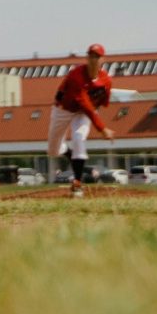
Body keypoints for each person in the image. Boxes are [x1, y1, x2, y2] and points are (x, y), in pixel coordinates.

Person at [47, 43, 115, 198]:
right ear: (87, 58)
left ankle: (77, 182)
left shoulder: (106, 80)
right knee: (53, 151)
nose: (93, 59)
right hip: (63, 109)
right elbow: (84, 102)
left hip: (83, 113)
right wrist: (102, 128)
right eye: (91, 56)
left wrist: (98, 112)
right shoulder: (76, 75)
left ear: (102, 60)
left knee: (79, 138)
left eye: (97, 56)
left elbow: (102, 102)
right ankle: (68, 153)